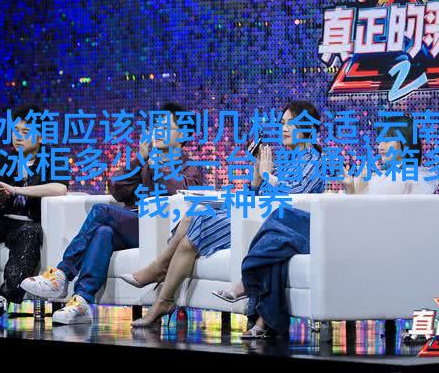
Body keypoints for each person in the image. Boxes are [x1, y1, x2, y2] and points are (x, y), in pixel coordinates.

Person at [214, 114, 439, 338]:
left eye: (388, 139)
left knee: (282, 220)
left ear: (405, 142)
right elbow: (364, 212)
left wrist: (357, 193)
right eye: (380, 139)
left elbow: (386, 219)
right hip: (344, 230)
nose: (380, 145)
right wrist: (353, 190)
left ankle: (248, 285)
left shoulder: (411, 177)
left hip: (348, 237)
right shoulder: (384, 175)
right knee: (279, 238)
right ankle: (262, 312)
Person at [122, 100, 325, 328]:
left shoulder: (315, 162)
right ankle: (163, 300)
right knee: (191, 222)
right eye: (283, 123)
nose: (284, 129)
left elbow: (293, 198)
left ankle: (159, 273)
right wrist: (256, 180)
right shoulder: (284, 161)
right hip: (253, 214)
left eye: (290, 123)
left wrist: (268, 176)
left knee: (197, 220)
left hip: (270, 225)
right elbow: (258, 195)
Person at [21, 103, 204, 325]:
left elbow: (180, 192)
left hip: (163, 232)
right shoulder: (145, 163)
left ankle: (62, 273)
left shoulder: (191, 168)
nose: (157, 131)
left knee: (101, 211)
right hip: (133, 227)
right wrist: (139, 160)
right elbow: (116, 189)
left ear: (182, 134)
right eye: (156, 125)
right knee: (103, 232)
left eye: (165, 127)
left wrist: (157, 166)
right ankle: (82, 302)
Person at [0, 105, 69, 321]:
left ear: (41, 137)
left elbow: (59, 188)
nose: (18, 137)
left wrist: (16, 190)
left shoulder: (54, 158)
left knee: (28, 234)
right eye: (15, 131)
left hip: (31, 222)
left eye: (25, 132)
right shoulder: (3, 160)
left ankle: (4, 298)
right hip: (3, 220)